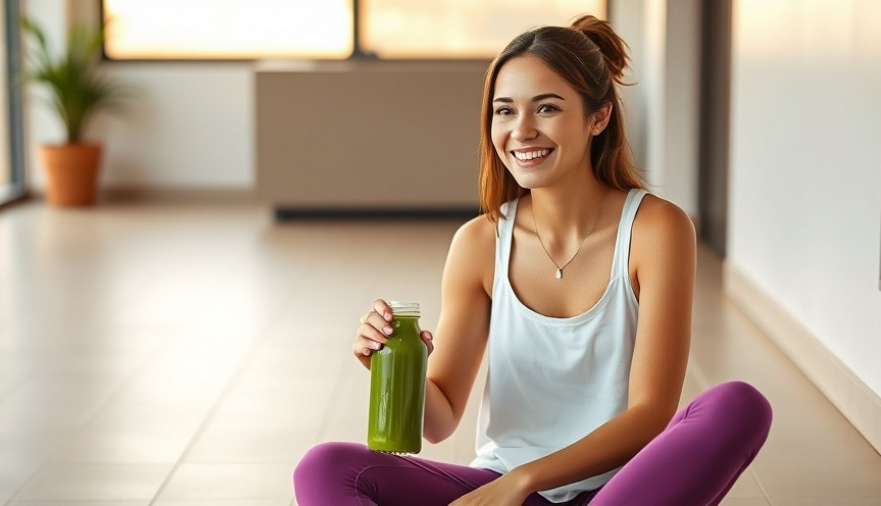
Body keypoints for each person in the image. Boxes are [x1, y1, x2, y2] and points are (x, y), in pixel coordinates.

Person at [294, 14, 772, 506]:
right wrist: (390, 360)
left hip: (618, 493)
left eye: (546, 108)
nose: (521, 131)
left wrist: (524, 480)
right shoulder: (480, 243)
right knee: (325, 467)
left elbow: (650, 413)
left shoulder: (656, 230)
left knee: (738, 405)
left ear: (598, 117)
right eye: (505, 111)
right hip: (501, 489)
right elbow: (441, 420)